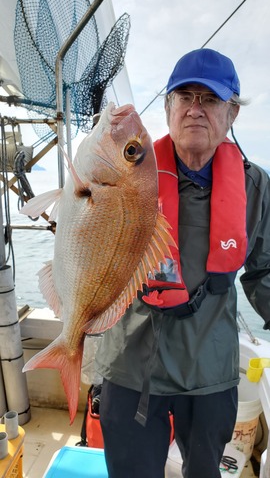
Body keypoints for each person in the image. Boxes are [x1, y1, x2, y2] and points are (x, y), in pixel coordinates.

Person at [95, 48, 270, 478]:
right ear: (168, 106)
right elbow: (91, 250)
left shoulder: (255, 186)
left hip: (210, 372)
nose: (195, 110)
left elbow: (264, 272)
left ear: (231, 112)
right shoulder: (128, 173)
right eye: (183, 97)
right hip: (133, 367)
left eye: (208, 100)